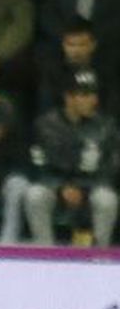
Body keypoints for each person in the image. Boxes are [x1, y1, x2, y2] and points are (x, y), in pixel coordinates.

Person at [25, 69, 120, 245]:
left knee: (107, 200)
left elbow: (111, 167)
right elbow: (37, 165)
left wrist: (82, 188)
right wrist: (61, 186)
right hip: (54, 186)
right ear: (68, 98)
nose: (93, 100)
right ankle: (45, 253)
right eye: (84, 95)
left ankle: (99, 256)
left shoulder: (106, 127)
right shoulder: (46, 125)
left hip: (92, 187)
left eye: (93, 94)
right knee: (35, 195)